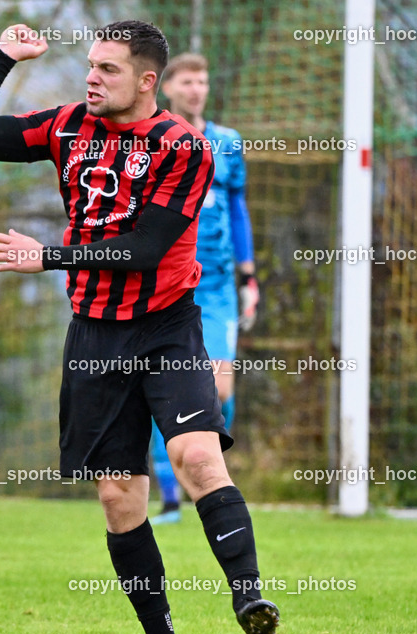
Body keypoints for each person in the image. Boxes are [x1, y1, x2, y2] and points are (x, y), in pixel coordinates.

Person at [0, 20, 278, 634]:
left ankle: (250, 600)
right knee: (118, 495)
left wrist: (49, 256)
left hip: (166, 325)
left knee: (198, 458)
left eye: (108, 69)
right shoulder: (67, 126)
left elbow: (145, 250)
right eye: (90, 66)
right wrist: (3, 58)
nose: (91, 78)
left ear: (147, 81)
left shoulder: (184, 148)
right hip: (94, 333)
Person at [149, 53, 259, 525]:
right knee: (159, 388)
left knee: (219, 386)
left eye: (203, 81)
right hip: (168, 284)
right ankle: (172, 495)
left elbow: (238, 211)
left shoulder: (228, 143)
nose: (196, 89)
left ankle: (208, 478)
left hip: (216, 288)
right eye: (187, 81)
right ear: (167, 87)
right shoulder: (155, 138)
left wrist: (249, 277)